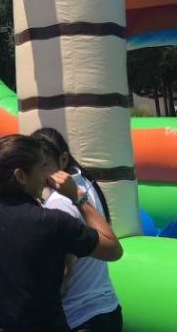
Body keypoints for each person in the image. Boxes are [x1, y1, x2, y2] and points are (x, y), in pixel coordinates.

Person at [0, 135, 123, 332]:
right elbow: (113, 249)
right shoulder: (51, 221)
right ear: (20, 176)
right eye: (41, 168)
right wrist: (78, 197)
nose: (45, 176)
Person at [34, 128, 122, 332]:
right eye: (36, 166)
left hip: (79, 315)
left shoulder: (59, 203)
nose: (39, 173)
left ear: (63, 159)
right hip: (107, 306)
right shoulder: (86, 184)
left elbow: (64, 270)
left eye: (44, 165)